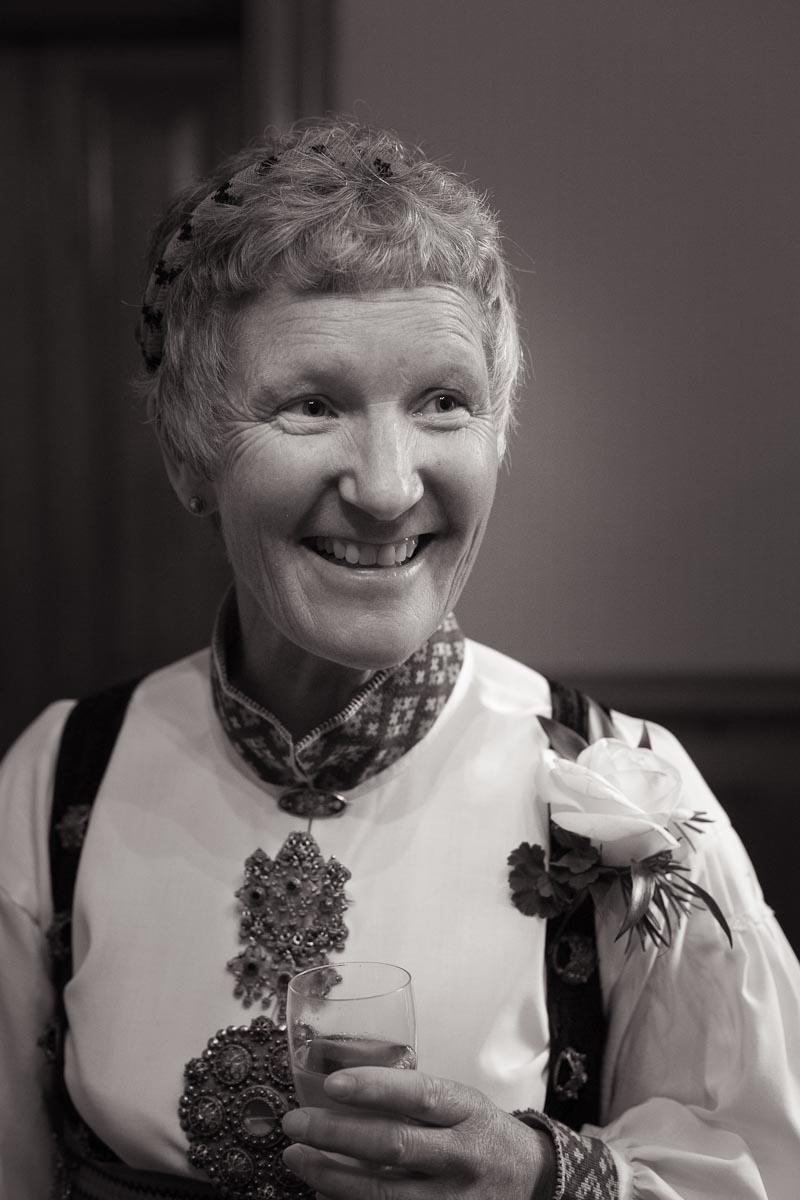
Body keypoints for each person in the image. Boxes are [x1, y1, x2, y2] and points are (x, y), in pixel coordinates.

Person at [1, 118, 798, 1200]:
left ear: (497, 433)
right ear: (190, 453)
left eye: (442, 402)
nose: (385, 486)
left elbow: (758, 1169)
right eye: (311, 405)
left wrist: (542, 1176)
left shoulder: (626, 792)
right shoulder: (57, 784)